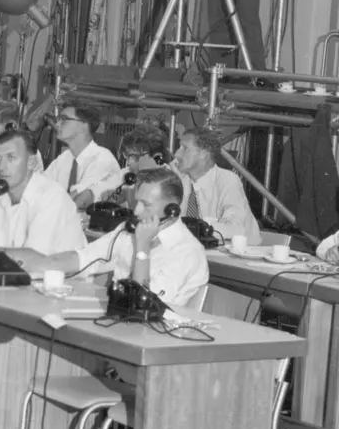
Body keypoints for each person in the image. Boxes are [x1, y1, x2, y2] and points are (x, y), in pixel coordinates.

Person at [42, 169, 209, 312]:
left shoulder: (187, 252)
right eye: (137, 202)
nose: (136, 211)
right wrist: (34, 268)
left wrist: (142, 248)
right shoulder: (129, 231)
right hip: (118, 319)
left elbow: (142, 305)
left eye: (146, 204)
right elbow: (85, 258)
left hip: (153, 334)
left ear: (172, 210)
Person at [0, 127, 86, 256]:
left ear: (31, 162)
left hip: (61, 281)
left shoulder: (51, 197)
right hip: (11, 278)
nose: (1, 166)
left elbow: (32, 259)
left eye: (11, 157)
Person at [171, 126, 262, 245]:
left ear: (203, 154)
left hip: (239, 256)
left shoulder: (227, 180)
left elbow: (234, 228)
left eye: (185, 149)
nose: (177, 154)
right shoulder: (182, 180)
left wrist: (198, 227)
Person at [44, 102, 121, 210]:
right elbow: (41, 188)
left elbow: (78, 197)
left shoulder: (102, 159)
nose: (57, 124)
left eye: (64, 119)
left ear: (84, 126)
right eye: (59, 119)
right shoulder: (64, 158)